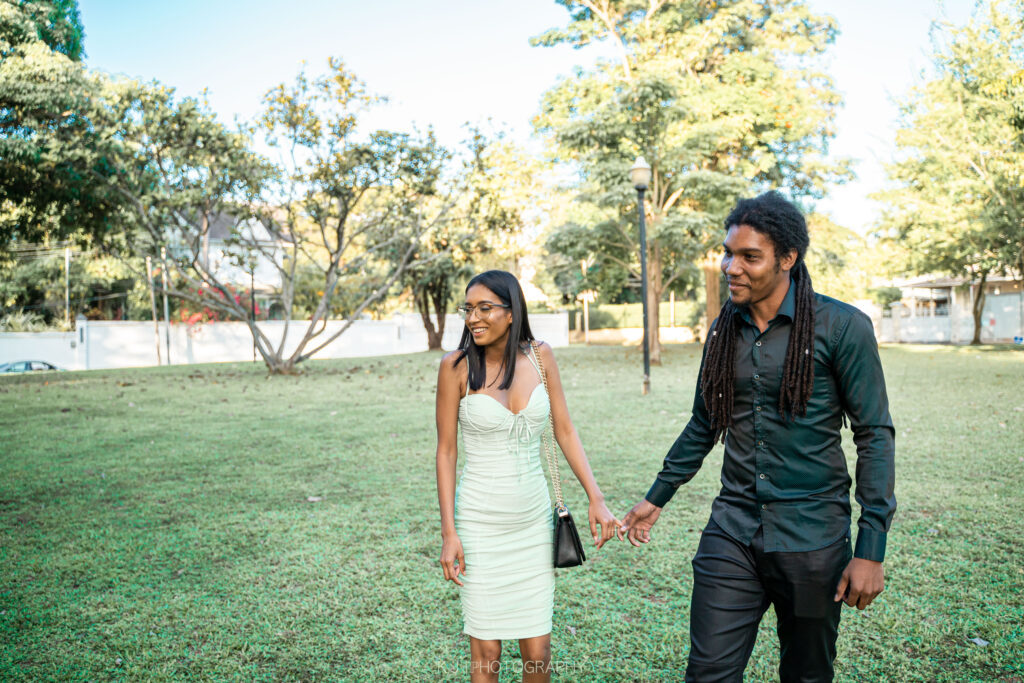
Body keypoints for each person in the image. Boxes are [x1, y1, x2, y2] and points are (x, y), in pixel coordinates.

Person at [618, 191, 896, 682]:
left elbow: (874, 435)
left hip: (813, 536)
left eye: (750, 256)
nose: (732, 266)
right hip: (733, 530)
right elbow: (705, 420)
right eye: (728, 253)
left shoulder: (843, 327)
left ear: (788, 258)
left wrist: (870, 547)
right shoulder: (723, 331)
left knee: (807, 675)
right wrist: (657, 497)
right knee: (707, 674)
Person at [435, 270, 620, 683]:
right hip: (480, 524)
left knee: (538, 651)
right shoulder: (456, 368)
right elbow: (446, 453)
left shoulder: (540, 356)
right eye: (468, 309)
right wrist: (450, 532)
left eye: (485, 308)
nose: (473, 318)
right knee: (486, 651)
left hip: (533, 522)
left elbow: (565, 430)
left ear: (511, 310)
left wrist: (596, 496)